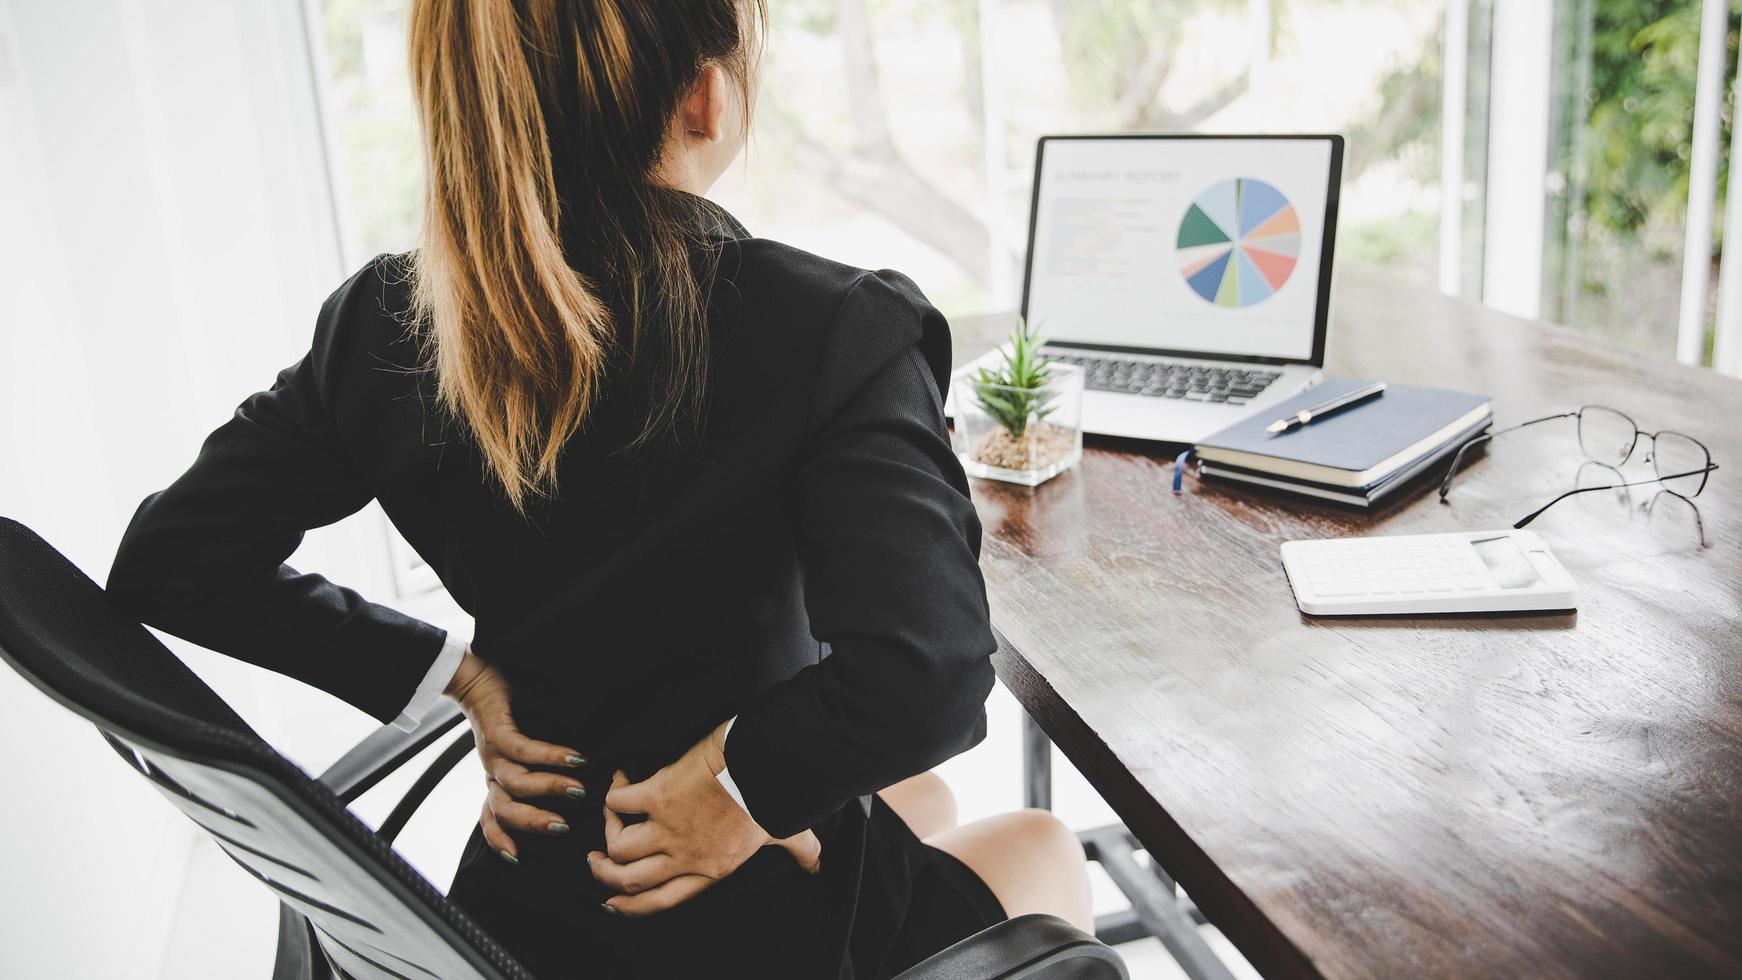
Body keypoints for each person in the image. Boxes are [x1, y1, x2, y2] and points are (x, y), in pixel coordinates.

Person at [104, 1, 1091, 977]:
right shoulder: (833, 327)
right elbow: (928, 672)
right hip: (712, 903)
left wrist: (452, 671)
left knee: (918, 797)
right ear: (706, 98)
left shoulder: (388, 322)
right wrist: (737, 791)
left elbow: (174, 558)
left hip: (521, 894)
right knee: (1041, 842)